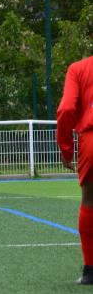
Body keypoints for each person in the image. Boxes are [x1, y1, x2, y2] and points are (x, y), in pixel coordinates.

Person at [57, 55, 93, 285]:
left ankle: (91, 271)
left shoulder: (79, 68)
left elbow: (66, 108)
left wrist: (66, 147)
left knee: (90, 201)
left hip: (91, 141)